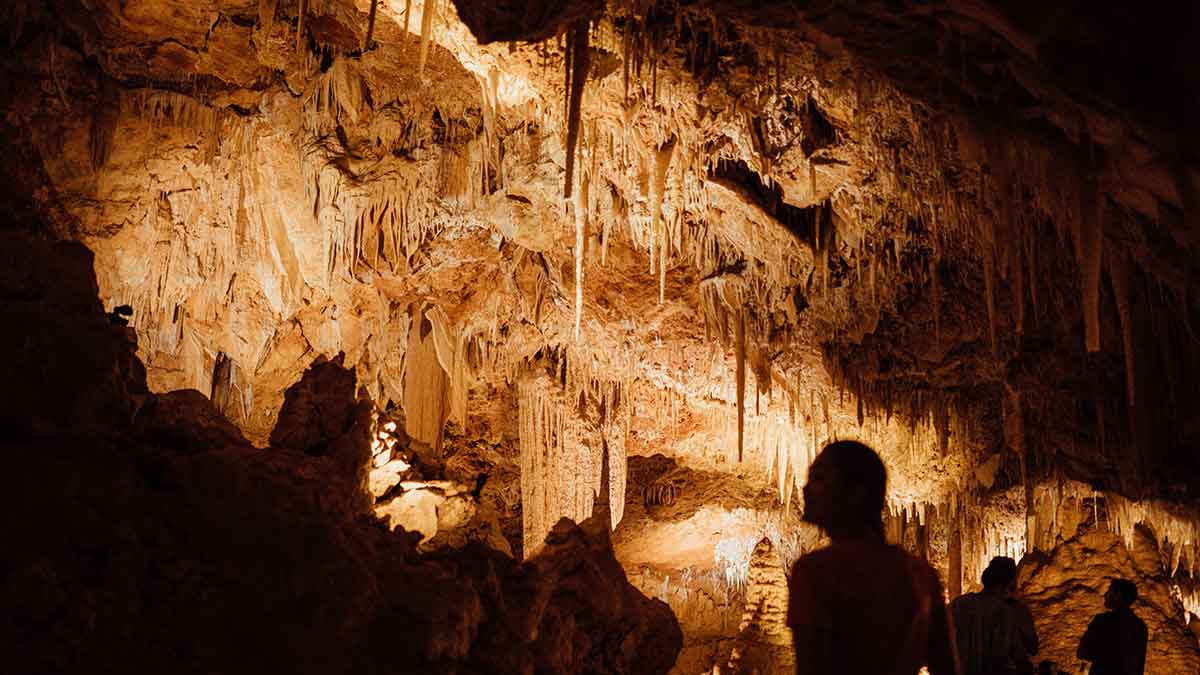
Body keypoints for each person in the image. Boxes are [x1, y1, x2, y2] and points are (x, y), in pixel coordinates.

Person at [786, 440, 959, 675]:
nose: (806, 488)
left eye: (819, 478)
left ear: (855, 491)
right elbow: (946, 666)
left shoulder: (815, 571)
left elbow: (812, 666)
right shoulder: (921, 573)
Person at [950, 556, 1038, 674]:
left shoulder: (958, 604)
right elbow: (1031, 648)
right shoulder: (1010, 610)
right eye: (1012, 587)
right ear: (1005, 587)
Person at [1077, 579, 1147, 675]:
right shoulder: (1140, 627)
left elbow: (1082, 652)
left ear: (1118, 595)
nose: (1105, 595)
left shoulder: (1103, 620)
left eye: (1109, 591)